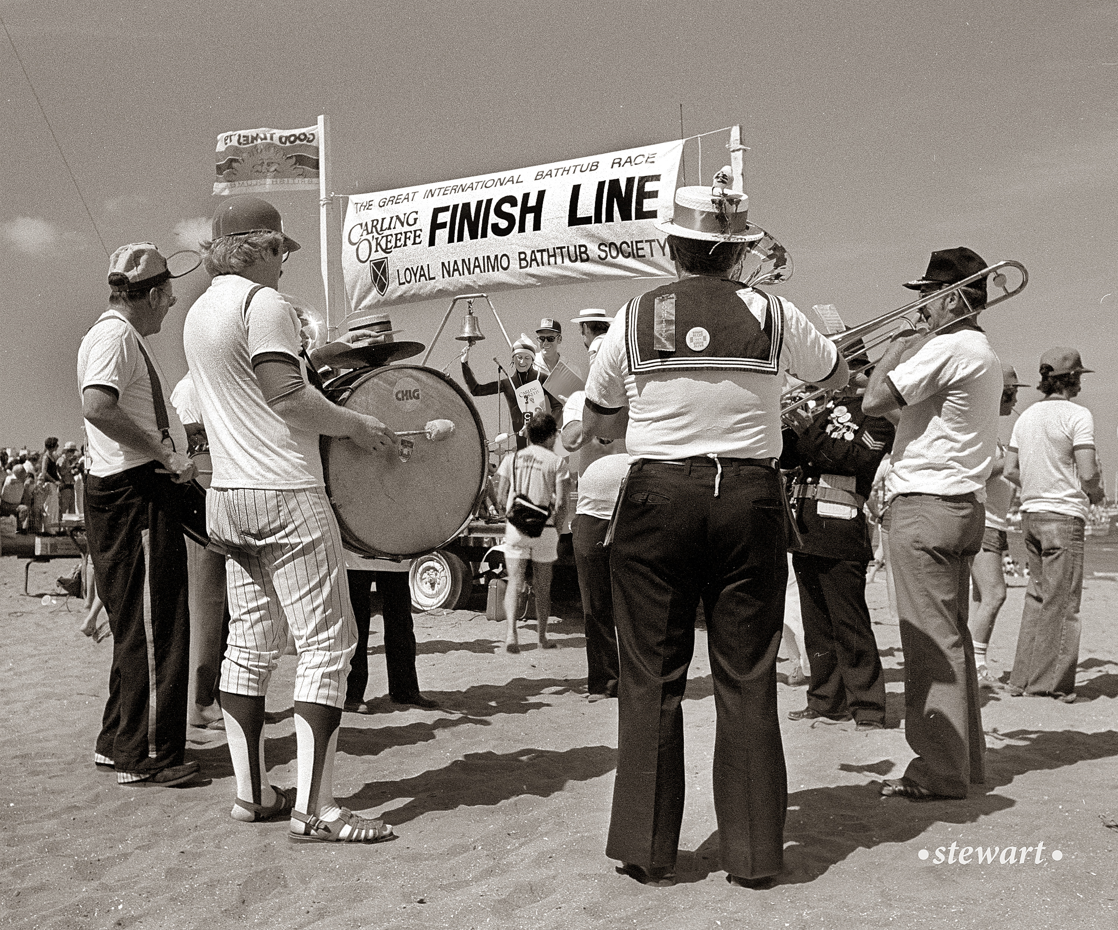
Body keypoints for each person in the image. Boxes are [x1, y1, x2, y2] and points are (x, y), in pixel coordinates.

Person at [584, 176, 847, 887]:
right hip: (750, 496)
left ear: (675, 247)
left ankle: (644, 846)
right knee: (747, 674)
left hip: (658, 495)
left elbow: (598, 422)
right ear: (737, 253)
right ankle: (757, 854)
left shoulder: (635, 313)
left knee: (650, 674)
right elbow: (836, 373)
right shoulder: (774, 311)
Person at [183, 194, 396, 841]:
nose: (284, 264)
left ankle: (252, 794)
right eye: (281, 251)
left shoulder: (198, 314)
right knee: (328, 645)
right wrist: (358, 426)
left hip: (228, 497)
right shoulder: (262, 304)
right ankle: (317, 809)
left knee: (248, 645)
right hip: (284, 492)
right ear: (260, 248)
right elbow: (285, 396)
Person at [863, 246, 1001, 802]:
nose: (921, 307)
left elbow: (875, 399)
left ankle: (938, 770)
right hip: (960, 504)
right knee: (952, 639)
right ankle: (963, 765)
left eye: (928, 296)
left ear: (951, 299)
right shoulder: (981, 350)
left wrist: (893, 350)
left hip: (925, 506)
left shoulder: (948, 346)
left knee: (928, 644)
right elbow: (915, 418)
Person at [77, 242, 199, 787]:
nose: (171, 306)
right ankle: (146, 753)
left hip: (131, 490)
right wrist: (164, 453)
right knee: (157, 627)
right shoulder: (113, 337)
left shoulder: (118, 337)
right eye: (168, 296)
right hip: (134, 496)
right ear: (150, 295)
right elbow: (97, 405)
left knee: (137, 623)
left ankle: (119, 739)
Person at [783, 355, 895, 729]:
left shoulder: (876, 415)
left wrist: (807, 429)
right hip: (805, 526)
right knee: (815, 624)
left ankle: (868, 706)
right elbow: (787, 458)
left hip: (842, 526)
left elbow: (851, 459)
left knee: (850, 622)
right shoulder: (818, 408)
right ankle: (825, 700)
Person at [1003, 347, 1104, 703]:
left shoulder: (1026, 417)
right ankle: (1050, 684)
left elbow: (1010, 470)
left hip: (1031, 514)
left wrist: (1037, 486)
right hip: (1063, 515)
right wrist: (1095, 493)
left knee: (1037, 597)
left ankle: (1022, 678)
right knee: (1063, 603)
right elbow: (1088, 471)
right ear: (1072, 378)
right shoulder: (1078, 416)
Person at [169, 371, 228, 730]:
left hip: (216, 478)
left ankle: (213, 695)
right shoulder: (192, 387)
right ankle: (200, 701)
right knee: (205, 605)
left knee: (220, 607)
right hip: (203, 481)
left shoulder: (206, 383)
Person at [494, 412, 570, 653]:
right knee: (543, 587)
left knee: (514, 582)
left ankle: (511, 635)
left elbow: (500, 495)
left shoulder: (512, 459)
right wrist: (556, 529)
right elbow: (561, 504)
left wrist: (509, 512)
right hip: (544, 529)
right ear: (550, 436)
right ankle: (542, 638)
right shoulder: (557, 462)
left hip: (517, 527)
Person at [969, 365, 1025, 685]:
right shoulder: (983, 428)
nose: (1014, 398)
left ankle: (974, 660)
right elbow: (980, 471)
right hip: (985, 522)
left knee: (981, 597)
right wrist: (1016, 457)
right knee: (995, 595)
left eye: (1015, 393)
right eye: (1008, 393)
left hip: (995, 522)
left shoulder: (993, 430)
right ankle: (976, 664)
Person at [461, 335, 561, 448]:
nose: (522, 361)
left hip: (542, 439)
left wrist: (545, 427)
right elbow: (476, 390)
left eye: (527, 358)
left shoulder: (542, 378)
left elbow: (558, 406)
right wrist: (464, 363)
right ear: (513, 358)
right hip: (521, 442)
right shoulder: (507, 384)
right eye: (519, 357)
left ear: (533, 359)